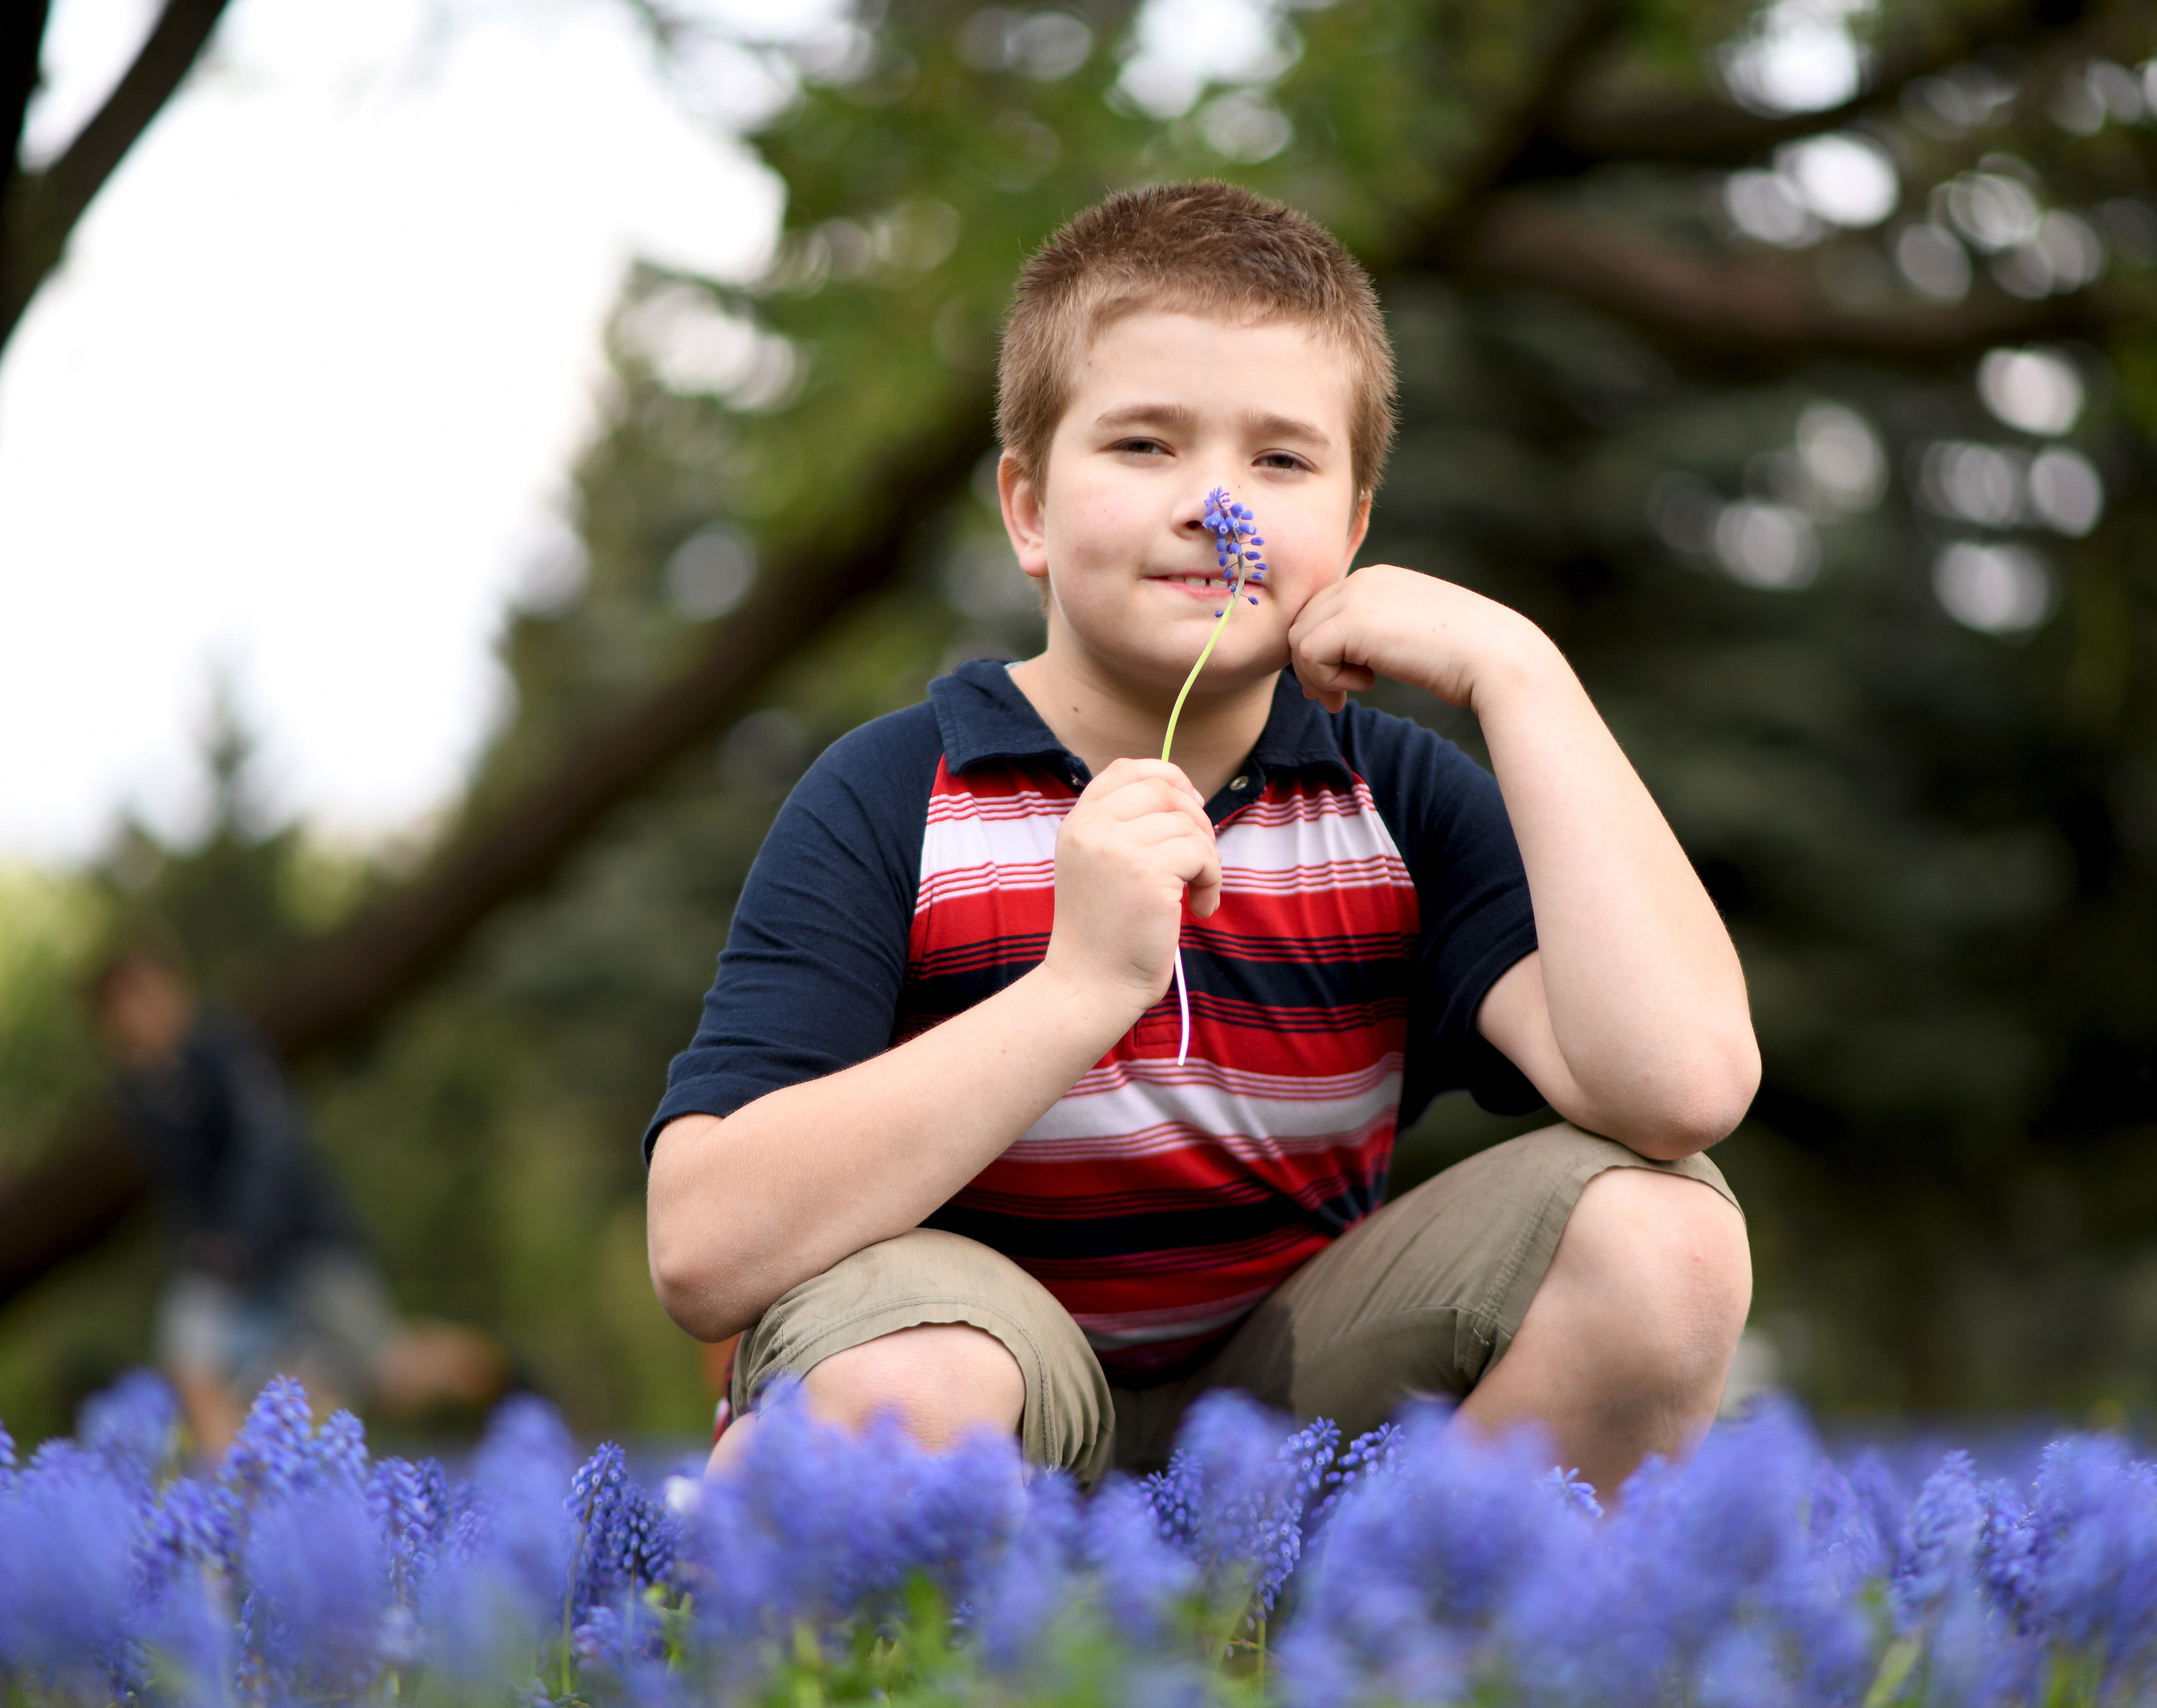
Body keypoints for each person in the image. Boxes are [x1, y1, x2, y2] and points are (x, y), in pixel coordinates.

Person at [645, 182, 1758, 1496]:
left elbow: (1682, 1089)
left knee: (1667, 1240)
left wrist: (1523, 675)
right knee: (910, 1389)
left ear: (1349, 534)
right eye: (1144, 446)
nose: (1211, 501)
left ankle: (1387, 1656)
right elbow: (701, 1245)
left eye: (1280, 461)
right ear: (1028, 513)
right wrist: (1081, 986)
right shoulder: (897, 793)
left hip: (1286, 1397)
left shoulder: (1393, 803)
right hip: (981, 1383)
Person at [92, 939, 505, 1453]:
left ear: (175, 994)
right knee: (191, 1361)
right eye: (120, 1010)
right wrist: (203, 1249)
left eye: (144, 999)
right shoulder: (136, 1093)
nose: (134, 1019)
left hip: (302, 1243)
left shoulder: (226, 1055)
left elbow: (270, 1149)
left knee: (389, 1374)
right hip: (222, 1264)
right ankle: (228, 1505)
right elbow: (179, 1191)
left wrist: (238, 1235)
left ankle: (506, 1383)